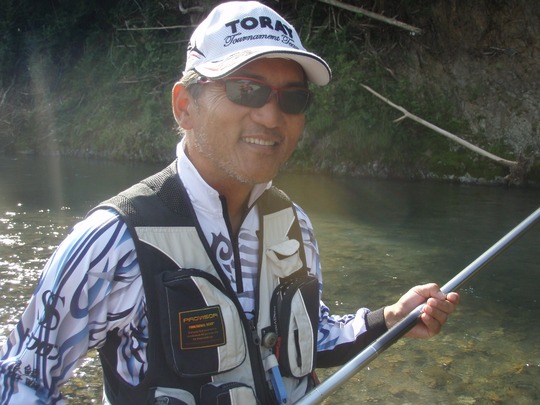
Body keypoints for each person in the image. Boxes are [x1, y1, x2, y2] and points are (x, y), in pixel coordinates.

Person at [0, 2, 459, 404]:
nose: (272, 116)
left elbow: (307, 339)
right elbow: (21, 380)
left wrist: (389, 320)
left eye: (293, 98)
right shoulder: (112, 240)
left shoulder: (293, 223)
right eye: (246, 89)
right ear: (184, 105)